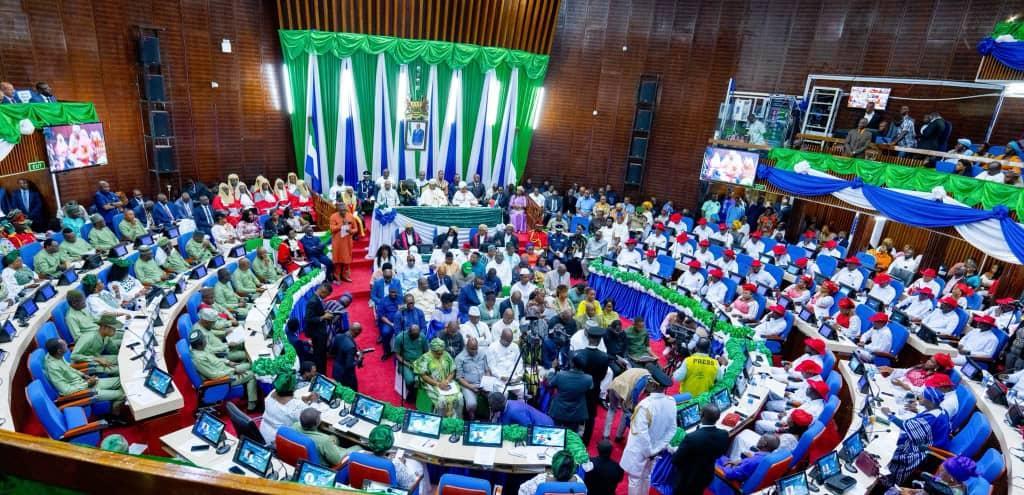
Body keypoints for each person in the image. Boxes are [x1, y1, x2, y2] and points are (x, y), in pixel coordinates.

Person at [621, 367, 676, 495]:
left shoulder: (645, 405)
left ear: (653, 384)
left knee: (634, 480)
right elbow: (672, 429)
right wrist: (658, 448)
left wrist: (649, 451)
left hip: (641, 451)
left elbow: (641, 434)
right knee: (647, 476)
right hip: (655, 449)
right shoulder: (671, 401)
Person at [43, 338, 125, 414]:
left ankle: (114, 406)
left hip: (85, 382)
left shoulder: (55, 355)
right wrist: (87, 384)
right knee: (122, 394)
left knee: (121, 380)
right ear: (59, 351)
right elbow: (66, 391)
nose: (67, 345)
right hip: (84, 391)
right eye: (64, 345)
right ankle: (115, 413)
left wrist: (84, 375)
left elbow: (69, 368)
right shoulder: (53, 368)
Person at [188, 329, 257, 410]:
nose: (206, 341)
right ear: (200, 344)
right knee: (252, 374)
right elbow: (214, 376)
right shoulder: (199, 359)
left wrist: (227, 361)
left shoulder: (198, 347)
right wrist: (234, 370)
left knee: (251, 364)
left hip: (226, 369)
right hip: (224, 379)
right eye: (205, 340)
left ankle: (248, 393)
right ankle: (252, 407)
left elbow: (214, 359)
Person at [671, 404, 729, 495]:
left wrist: (674, 450)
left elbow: (675, 460)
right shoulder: (724, 434)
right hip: (707, 475)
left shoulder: (691, 438)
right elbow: (720, 452)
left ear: (701, 415)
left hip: (687, 479)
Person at [576, 324, 610, 444]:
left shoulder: (579, 353)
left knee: (576, 411)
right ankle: (586, 441)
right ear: (600, 340)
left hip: (579, 388)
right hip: (594, 387)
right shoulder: (604, 357)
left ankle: (574, 435)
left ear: (588, 337)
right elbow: (602, 375)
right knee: (590, 416)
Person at [364, 425, 425, 491]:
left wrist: (389, 458)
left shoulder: (358, 455)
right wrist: (403, 465)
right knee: (419, 467)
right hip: (388, 492)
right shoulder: (396, 465)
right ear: (390, 443)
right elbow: (409, 486)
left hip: (366, 490)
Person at [260, 373, 314, 446]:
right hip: (279, 442)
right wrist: (311, 402)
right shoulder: (297, 406)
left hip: (263, 433)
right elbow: (310, 420)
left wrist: (302, 400)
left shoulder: (271, 393)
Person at [414, 338, 463, 417]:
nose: (440, 355)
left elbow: (452, 370)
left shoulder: (446, 355)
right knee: (442, 400)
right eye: (437, 353)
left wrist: (447, 381)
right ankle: (440, 420)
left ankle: (456, 420)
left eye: (441, 352)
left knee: (459, 397)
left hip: (447, 381)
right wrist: (438, 384)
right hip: (432, 383)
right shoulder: (425, 358)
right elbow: (423, 375)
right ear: (432, 350)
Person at [547, 353, 593, 434]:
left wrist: (552, 369)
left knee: (555, 433)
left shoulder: (560, 375)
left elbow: (549, 383)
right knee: (571, 435)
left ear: (572, 363)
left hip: (558, 410)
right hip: (576, 412)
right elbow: (590, 388)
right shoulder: (588, 379)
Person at [518, 450, 585, 495]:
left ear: (553, 466)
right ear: (573, 467)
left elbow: (522, 491)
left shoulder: (540, 480)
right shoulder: (580, 482)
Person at [394, 324, 430, 403]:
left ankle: (421, 395)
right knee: (410, 380)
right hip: (405, 363)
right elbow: (397, 355)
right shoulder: (400, 337)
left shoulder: (422, 337)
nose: (416, 337)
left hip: (420, 362)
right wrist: (408, 365)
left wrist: (424, 363)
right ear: (409, 332)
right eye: (413, 336)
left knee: (428, 376)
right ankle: (413, 394)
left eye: (417, 335)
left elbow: (427, 352)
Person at [302, 282, 333, 373]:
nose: (326, 297)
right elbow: (308, 319)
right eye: (327, 295)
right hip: (317, 333)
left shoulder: (317, 299)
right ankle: (321, 373)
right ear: (323, 291)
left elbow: (316, 312)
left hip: (319, 330)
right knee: (319, 355)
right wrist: (323, 317)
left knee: (321, 354)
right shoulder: (313, 301)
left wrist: (323, 312)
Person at [455, 337, 489, 419]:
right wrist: (471, 387)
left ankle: (492, 417)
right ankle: (472, 418)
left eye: (476, 348)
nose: (474, 351)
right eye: (472, 349)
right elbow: (459, 378)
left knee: (495, 397)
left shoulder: (482, 353)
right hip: (468, 385)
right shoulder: (459, 358)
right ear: (466, 346)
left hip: (483, 383)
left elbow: (487, 370)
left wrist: (487, 382)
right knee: (471, 404)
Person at [486, 328, 524, 396]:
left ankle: (519, 406)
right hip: (499, 379)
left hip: (513, 377)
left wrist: (519, 375)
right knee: (504, 393)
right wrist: (501, 376)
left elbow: (519, 362)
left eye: (510, 341)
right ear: (501, 337)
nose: (509, 343)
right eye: (507, 341)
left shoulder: (514, 346)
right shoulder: (492, 347)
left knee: (522, 391)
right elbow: (492, 367)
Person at [329, 201, 359, 282]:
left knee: (347, 260)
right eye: (341, 210)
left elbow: (356, 229)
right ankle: (337, 275)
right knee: (338, 260)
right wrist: (341, 225)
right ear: (338, 210)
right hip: (337, 243)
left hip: (347, 242)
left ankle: (345, 275)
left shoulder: (350, 216)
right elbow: (332, 229)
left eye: (344, 210)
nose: (343, 212)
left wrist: (351, 231)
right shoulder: (333, 216)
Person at [330, 322, 362, 391]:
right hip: (346, 376)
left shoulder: (338, 336)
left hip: (336, 370)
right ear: (357, 333)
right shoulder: (351, 347)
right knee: (351, 393)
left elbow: (332, 352)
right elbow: (349, 365)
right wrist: (359, 359)